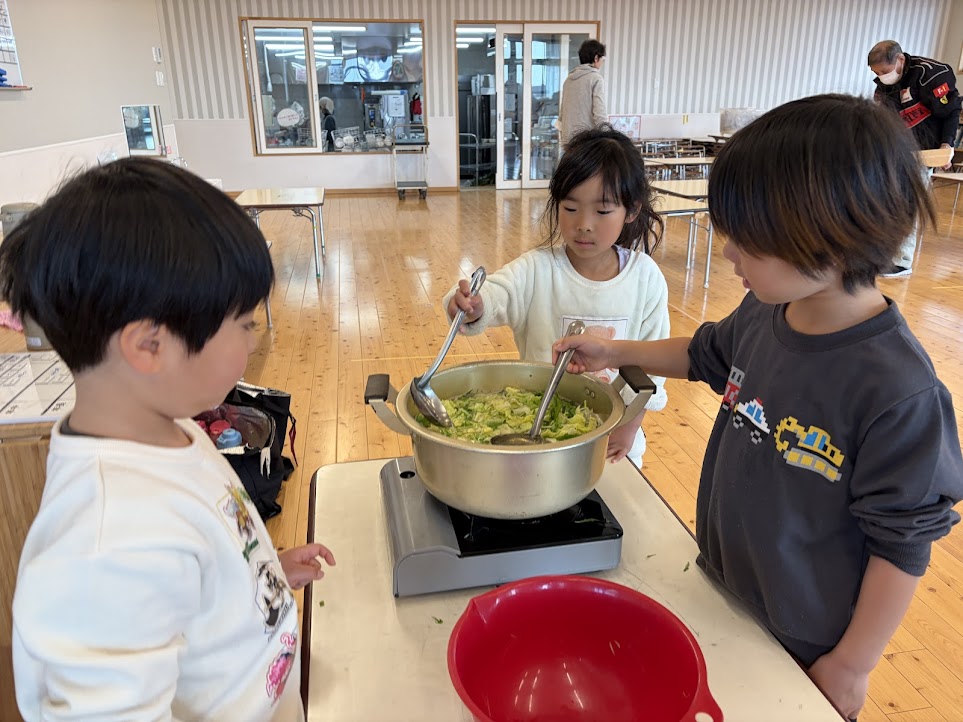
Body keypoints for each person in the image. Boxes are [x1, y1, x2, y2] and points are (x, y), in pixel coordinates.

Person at [552, 95, 963, 721]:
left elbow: (902, 544)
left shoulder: (899, 391)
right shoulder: (768, 311)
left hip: (804, 640)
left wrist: (852, 666)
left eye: (748, 239)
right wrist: (613, 349)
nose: (729, 253)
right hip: (722, 585)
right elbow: (703, 354)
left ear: (829, 236)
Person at [0, 158, 336, 721]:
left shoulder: (169, 428)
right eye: (245, 324)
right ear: (149, 346)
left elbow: (189, 562)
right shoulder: (108, 546)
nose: (253, 340)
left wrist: (258, 572)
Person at [445, 125, 669, 467]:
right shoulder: (538, 268)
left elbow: (652, 367)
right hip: (535, 435)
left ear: (632, 210)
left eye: (602, 211)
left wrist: (629, 425)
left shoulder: (645, 278)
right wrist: (472, 304)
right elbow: (498, 292)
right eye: (570, 208)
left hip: (614, 441)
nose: (584, 224)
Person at [868, 40, 962, 277]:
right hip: (899, 146)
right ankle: (879, 252)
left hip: (927, 148)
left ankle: (902, 261)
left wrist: (946, 146)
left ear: (900, 59)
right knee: (885, 200)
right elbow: (883, 121)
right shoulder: (884, 86)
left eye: (884, 71)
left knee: (909, 202)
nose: (881, 76)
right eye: (876, 73)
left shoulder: (931, 75)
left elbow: (951, 112)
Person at [558, 39, 607, 147]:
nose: (602, 62)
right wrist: (608, 136)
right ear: (596, 58)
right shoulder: (596, 78)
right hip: (587, 141)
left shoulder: (568, 80)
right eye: (603, 59)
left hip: (568, 141)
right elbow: (599, 113)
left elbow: (562, 113)